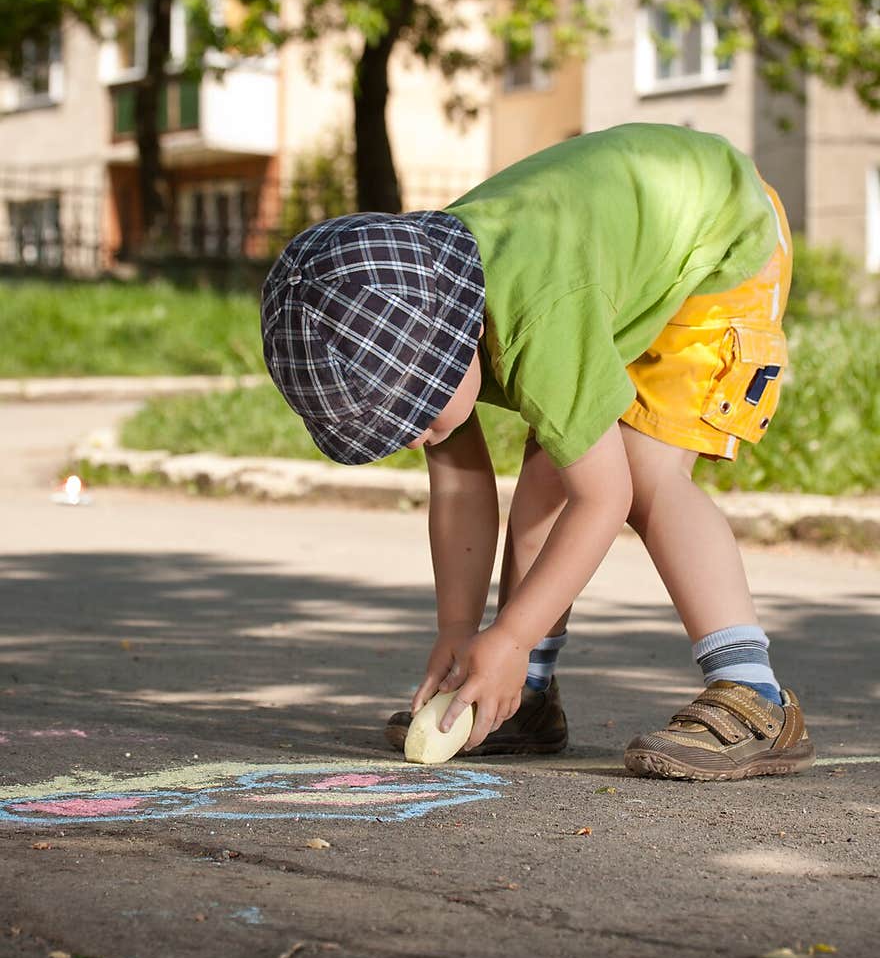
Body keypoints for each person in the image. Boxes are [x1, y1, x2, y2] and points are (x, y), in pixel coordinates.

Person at [260, 122, 815, 781]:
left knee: (643, 477)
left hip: (720, 240)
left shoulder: (535, 319)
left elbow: (603, 500)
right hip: (619, 258)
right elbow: (461, 488)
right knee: (548, 479)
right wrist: (461, 631)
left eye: (412, 414)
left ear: (449, 343)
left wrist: (512, 635)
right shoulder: (426, 294)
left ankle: (756, 696)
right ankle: (524, 694)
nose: (410, 437)